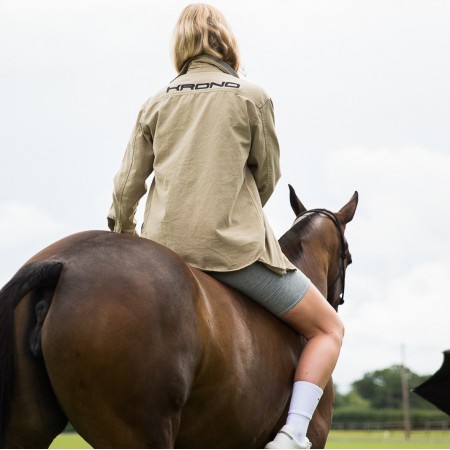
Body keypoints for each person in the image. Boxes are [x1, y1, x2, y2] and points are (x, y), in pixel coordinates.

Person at [107, 4, 344, 449]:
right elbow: (267, 175)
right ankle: (292, 435)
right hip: (232, 253)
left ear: (180, 45)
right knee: (329, 329)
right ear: (226, 40)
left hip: (161, 254)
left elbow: (127, 186)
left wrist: (126, 237)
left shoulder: (155, 102)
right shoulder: (252, 96)